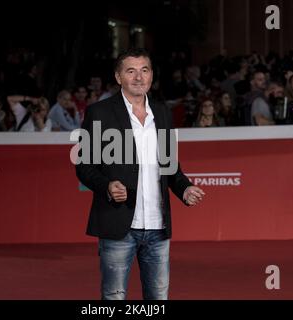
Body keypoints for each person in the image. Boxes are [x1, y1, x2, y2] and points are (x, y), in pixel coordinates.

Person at [75, 48, 205, 300]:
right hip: (118, 225)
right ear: (118, 77)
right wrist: (106, 186)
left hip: (158, 227)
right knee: (114, 296)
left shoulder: (163, 113)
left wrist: (185, 188)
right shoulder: (99, 112)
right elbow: (84, 166)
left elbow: (170, 166)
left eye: (144, 70)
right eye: (130, 71)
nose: (138, 77)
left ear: (151, 75)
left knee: (158, 298)